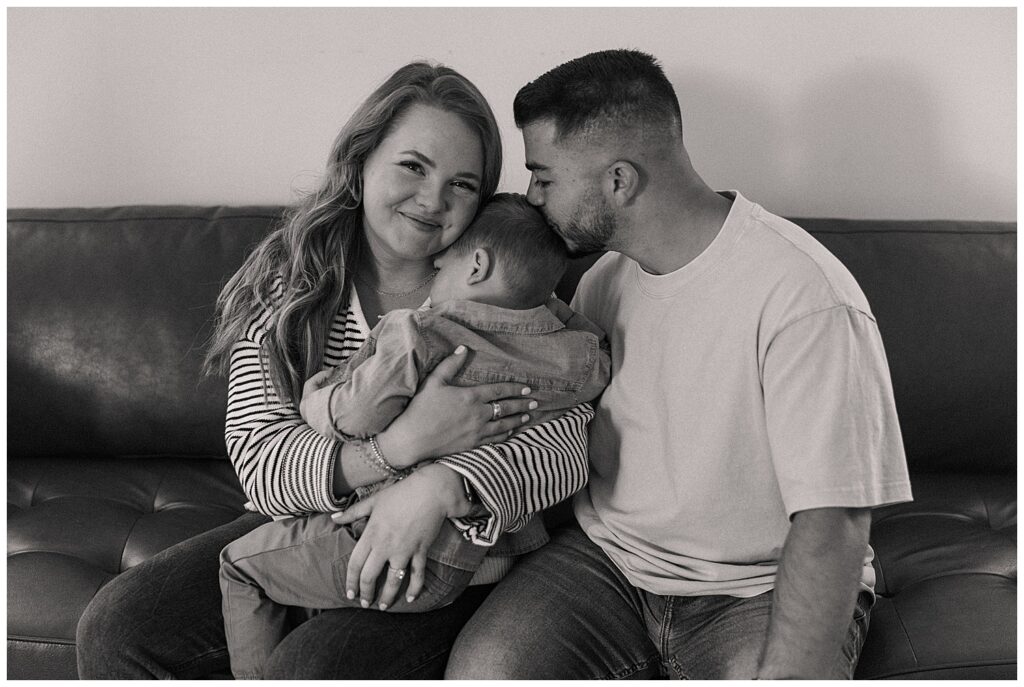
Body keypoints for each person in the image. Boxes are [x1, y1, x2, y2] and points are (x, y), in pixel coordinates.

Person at [76, 61, 596, 680]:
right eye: (413, 166)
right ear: (361, 160)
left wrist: (441, 485)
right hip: (310, 521)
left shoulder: (506, 298)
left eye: (462, 184)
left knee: (315, 666)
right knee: (119, 625)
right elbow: (263, 462)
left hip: (449, 546)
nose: (433, 200)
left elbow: (566, 440)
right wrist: (400, 446)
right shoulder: (291, 286)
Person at [446, 49, 914, 680]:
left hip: (757, 586)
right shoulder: (601, 285)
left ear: (619, 180)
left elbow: (834, 523)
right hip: (608, 564)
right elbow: (545, 430)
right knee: (486, 672)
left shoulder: (804, 297)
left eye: (544, 178)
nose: (531, 198)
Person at [218, 193, 609, 679]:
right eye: (412, 166)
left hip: (395, 548)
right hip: (490, 557)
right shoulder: (577, 357)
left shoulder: (421, 333)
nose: (432, 199)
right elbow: (591, 379)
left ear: (476, 266)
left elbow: (357, 415)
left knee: (238, 567)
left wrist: (316, 401)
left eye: (441, 269)